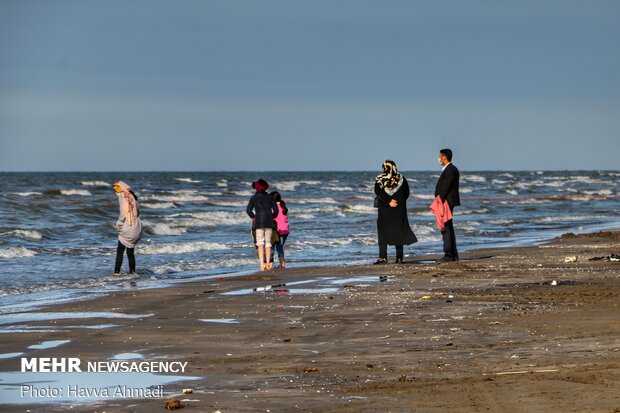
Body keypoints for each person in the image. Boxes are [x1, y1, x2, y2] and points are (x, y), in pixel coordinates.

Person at [374, 160, 417, 264]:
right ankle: (399, 258)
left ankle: (383, 258)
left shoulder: (380, 179)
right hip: (399, 210)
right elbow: (406, 194)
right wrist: (398, 201)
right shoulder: (402, 179)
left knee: (383, 233)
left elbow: (378, 192)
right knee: (399, 232)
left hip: (385, 210)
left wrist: (388, 201)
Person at [246, 179, 279, 271]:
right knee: (268, 243)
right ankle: (268, 264)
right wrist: (272, 216)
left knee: (260, 243)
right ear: (265, 187)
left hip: (258, 223)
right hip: (269, 222)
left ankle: (261, 265)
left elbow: (248, 210)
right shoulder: (270, 197)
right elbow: (276, 211)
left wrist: (253, 217)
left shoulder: (253, 198)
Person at [434, 149, 460, 262]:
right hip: (446, 201)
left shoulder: (450, 169)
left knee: (445, 228)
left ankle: (449, 254)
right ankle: (453, 254)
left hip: (445, 202)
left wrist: (440, 201)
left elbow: (445, 188)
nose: (439, 158)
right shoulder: (449, 169)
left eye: (440, 156)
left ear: (444, 157)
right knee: (448, 226)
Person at [113, 181, 142, 275]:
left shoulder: (123, 197)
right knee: (130, 252)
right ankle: (132, 272)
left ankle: (116, 272)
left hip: (128, 227)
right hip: (137, 227)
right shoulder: (133, 198)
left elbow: (123, 213)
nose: (116, 192)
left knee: (120, 251)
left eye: (116, 189)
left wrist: (119, 223)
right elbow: (137, 212)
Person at [270, 191, 290, 268]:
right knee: (280, 247)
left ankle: (270, 265)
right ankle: (282, 264)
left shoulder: (273, 208)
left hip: (277, 231)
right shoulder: (283, 206)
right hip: (285, 231)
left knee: (271, 247)